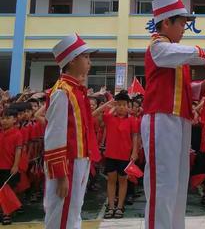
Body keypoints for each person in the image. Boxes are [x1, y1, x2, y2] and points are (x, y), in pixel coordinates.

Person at [141, 0, 205, 229]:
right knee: (162, 183)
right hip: (160, 118)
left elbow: (179, 88)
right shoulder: (158, 46)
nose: (185, 29)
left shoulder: (173, 53)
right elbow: (186, 53)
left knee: (177, 183)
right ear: (166, 23)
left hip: (178, 119)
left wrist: (200, 86)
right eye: (182, 24)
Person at [44, 34, 99, 229]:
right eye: (85, 57)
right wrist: (60, 174)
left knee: (73, 212)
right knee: (62, 214)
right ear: (73, 59)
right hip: (68, 162)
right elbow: (54, 136)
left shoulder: (75, 89)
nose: (89, 62)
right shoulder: (62, 91)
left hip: (80, 159)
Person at [93, 91, 139, 219]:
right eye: (119, 104)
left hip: (125, 155)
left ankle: (119, 206)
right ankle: (111, 206)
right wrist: (109, 104)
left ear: (128, 106)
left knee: (123, 181)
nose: (121, 107)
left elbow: (135, 136)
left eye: (124, 105)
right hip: (111, 155)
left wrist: (135, 151)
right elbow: (94, 114)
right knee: (111, 181)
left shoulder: (132, 120)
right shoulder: (109, 118)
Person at [0, 107, 22, 225]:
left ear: (14, 120)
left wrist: (15, 165)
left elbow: (18, 151)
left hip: (9, 167)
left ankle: (6, 214)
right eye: (2, 118)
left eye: (7, 118)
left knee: (6, 191)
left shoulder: (17, 134)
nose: (4, 121)